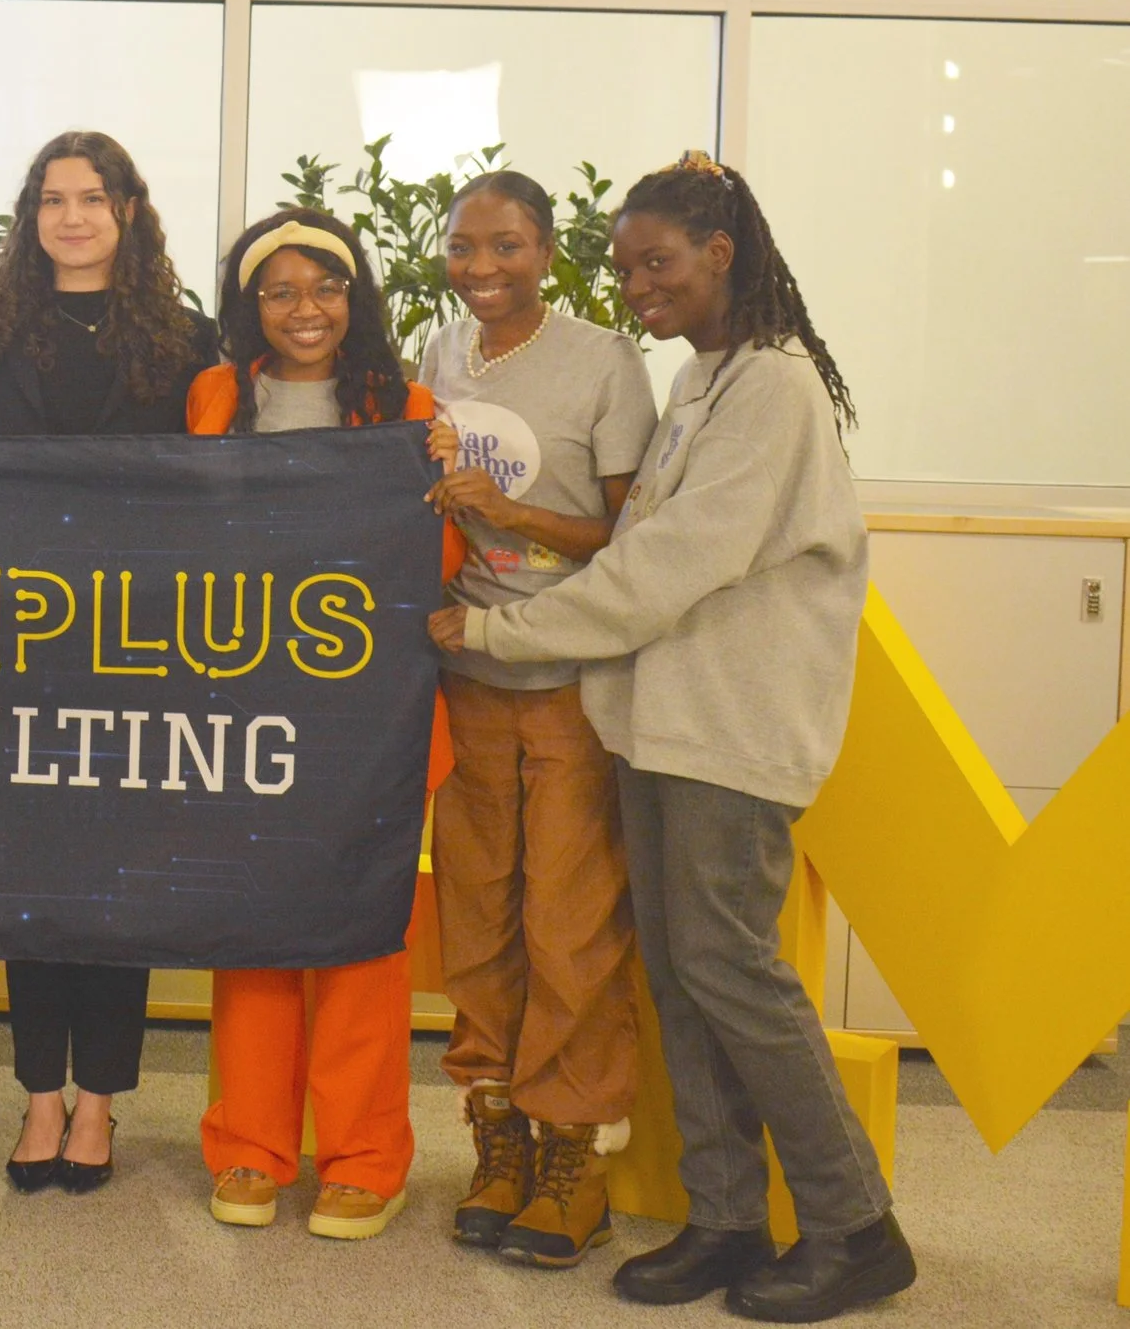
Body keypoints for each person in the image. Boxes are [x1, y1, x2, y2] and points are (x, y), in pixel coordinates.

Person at [431, 153, 914, 1323]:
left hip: (729, 730)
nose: (638, 288)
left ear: (719, 253)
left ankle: (856, 1228)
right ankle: (726, 1218)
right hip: (654, 723)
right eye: (626, 270)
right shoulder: (704, 376)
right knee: (680, 978)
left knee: (733, 974)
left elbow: (662, 565)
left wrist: (498, 634)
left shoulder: (775, 388)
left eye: (657, 264)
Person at [187, 208, 457, 1240]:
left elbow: (430, 563)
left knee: (360, 936)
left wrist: (440, 482)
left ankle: (363, 1158)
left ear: (357, 296)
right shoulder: (214, 398)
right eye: (281, 291)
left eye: (327, 287)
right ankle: (250, 1145)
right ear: (248, 305)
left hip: (368, 718)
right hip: (246, 703)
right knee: (251, 927)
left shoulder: (410, 407)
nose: (306, 309)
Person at [0, 129, 216, 1194]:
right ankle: (36, 1096)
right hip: (16, 641)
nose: (71, 217)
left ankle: (101, 1100)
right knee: (30, 878)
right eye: (52, 200)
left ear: (127, 212)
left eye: (91, 199)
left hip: (136, 647)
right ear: (32, 216)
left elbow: (223, 490)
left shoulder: (190, 339)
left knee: (118, 881)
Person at [419, 171, 657, 1266]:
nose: (481, 268)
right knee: (477, 918)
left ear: (548, 251)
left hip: (568, 679)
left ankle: (575, 1156)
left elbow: (630, 537)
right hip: (464, 675)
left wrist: (507, 509)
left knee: (569, 922)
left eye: (506, 245)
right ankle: (499, 1139)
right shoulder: (438, 354)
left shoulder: (604, 361)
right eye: (463, 247)